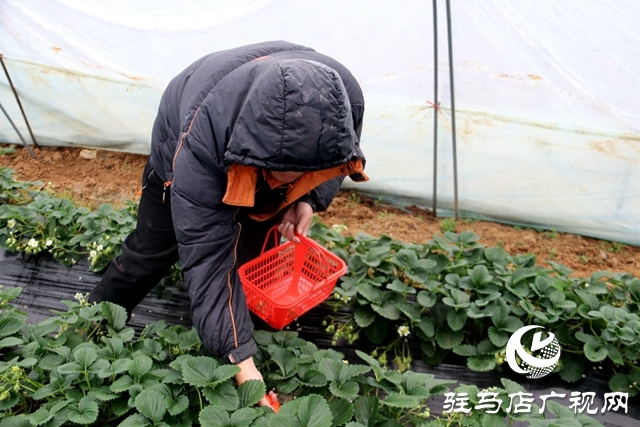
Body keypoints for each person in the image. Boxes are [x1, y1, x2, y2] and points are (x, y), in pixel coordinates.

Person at [88, 40, 367, 409]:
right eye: (286, 175)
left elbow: (337, 154)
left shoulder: (342, 97)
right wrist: (241, 364)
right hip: (183, 135)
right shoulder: (200, 148)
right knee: (150, 251)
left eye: (305, 174)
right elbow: (209, 264)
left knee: (249, 261)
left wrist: (305, 198)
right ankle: (90, 326)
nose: (294, 180)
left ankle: (243, 332)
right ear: (254, 154)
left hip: (248, 136)